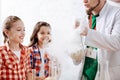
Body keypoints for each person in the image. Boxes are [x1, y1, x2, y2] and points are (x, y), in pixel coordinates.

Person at [71, 0, 120, 80]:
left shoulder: (117, 13)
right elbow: (78, 58)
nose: (84, 1)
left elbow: (117, 42)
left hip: (107, 76)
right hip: (85, 75)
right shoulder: (84, 17)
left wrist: (88, 33)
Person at [0, 16, 32, 80]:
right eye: (19, 30)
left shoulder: (26, 50)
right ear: (7, 32)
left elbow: (28, 72)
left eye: (24, 30)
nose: (23, 33)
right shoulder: (1, 52)